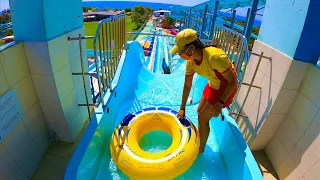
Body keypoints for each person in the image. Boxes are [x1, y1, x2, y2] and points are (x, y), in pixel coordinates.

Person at [170, 29, 238, 153]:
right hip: (213, 83)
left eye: (180, 51)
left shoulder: (214, 57)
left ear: (190, 48)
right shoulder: (191, 62)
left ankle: (200, 150)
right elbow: (187, 85)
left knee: (202, 118)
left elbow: (232, 81)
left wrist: (220, 102)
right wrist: (182, 107)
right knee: (199, 111)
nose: (179, 54)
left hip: (225, 86)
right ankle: (201, 138)